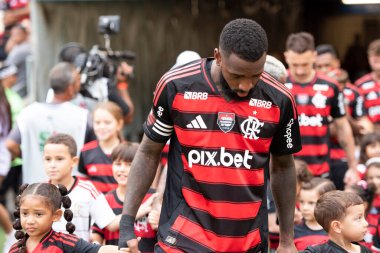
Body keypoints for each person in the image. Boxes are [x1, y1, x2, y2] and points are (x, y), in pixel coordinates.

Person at [119, 18, 302, 253]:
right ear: (218, 56)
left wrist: (287, 241)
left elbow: (284, 167)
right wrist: (127, 225)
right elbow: (147, 153)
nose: (246, 85)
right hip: (183, 238)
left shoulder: (280, 99)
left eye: (254, 75)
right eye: (237, 75)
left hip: (247, 242)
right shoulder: (176, 86)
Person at [284, 32, 358, 185]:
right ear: (286, 57)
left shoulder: (330, 86)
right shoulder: (277, 83)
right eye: (294, 65)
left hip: (319, 172)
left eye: (304, 64)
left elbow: (343, 127)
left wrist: (353, 167)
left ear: (314, 56)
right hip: (284, 171)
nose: (299, 71)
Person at [6, 62, 94, 184]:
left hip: (34, 190)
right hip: (70, 191)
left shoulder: (28, 113)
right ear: (70, 87)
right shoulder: (83, 116)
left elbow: (10, 144)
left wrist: (29, 156)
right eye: (78, 81)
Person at [8, 182, 128, 253]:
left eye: (38, 214)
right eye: (25, 214)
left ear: (56, 215)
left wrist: (122, 250)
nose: (30, 221)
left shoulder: (65, 242)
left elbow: (97, 250)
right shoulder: (15, 249)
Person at [43, 133, 120, 241]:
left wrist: (141, 208)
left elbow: (111, 223)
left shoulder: (88, 190)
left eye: (59, 159)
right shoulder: (39, 192)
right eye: (47, 159)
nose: (52, 164)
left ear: (74, 161)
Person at [91, 142, 157, 253]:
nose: (122, 169)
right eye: (118, 164)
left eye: (129, 165)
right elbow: (97, 234)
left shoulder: (154, 197)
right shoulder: (106, 200)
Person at [78, 101, 125, 193]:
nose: (101, 127)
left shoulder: (129, 152)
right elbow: (82, 184)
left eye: (107, 122)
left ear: (119, 124)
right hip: (95, 206)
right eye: (97, 122)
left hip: (122, 206)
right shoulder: (85, 151)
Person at [303, 190, 371, 253]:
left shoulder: (365, 251)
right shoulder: (317, 251)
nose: (366, 223)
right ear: (337, 226)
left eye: (364, 217)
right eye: (358, 218)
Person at [294, 177, 336, 250]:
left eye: (311, 203)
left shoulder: (337, 232)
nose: (305, 208)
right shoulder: (293, 231)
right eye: (301, 202)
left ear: (329, 203)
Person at [355, 38, 380, 127]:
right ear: (368, 58)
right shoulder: (360, 84)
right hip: (371, 135)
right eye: (374, 55)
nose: (377, 59)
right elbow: (358, 114)